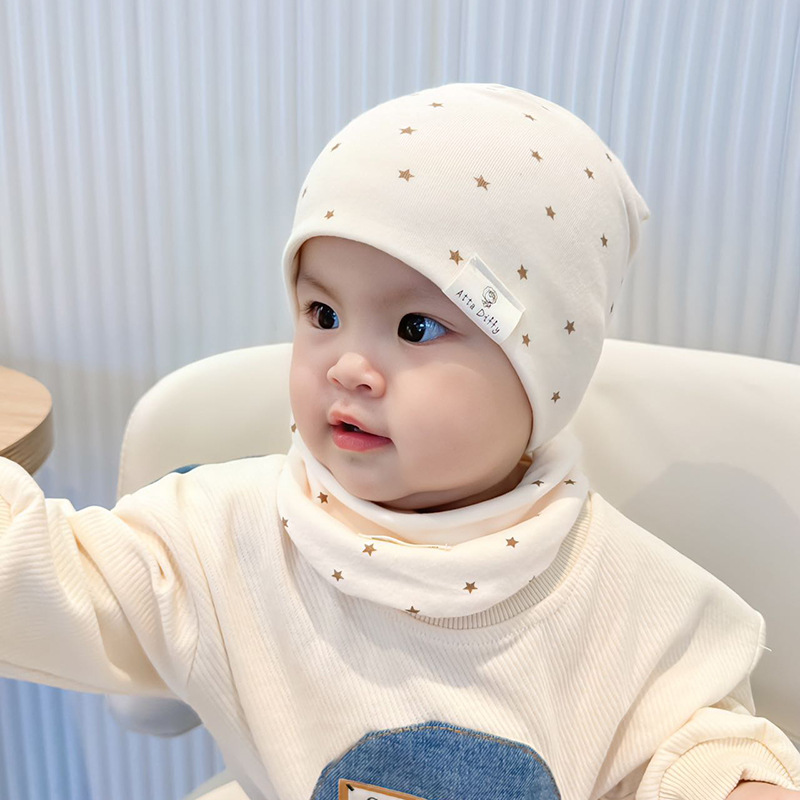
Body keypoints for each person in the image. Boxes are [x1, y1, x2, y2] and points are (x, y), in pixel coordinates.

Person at [0, 82, 798, 800]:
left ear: (543, 376)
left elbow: (697, 743)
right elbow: (45, 578)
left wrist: (736, 782)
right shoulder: (223, 535)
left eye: (416, 327)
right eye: (323, 314)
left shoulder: (622, 593)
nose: (347, 365)